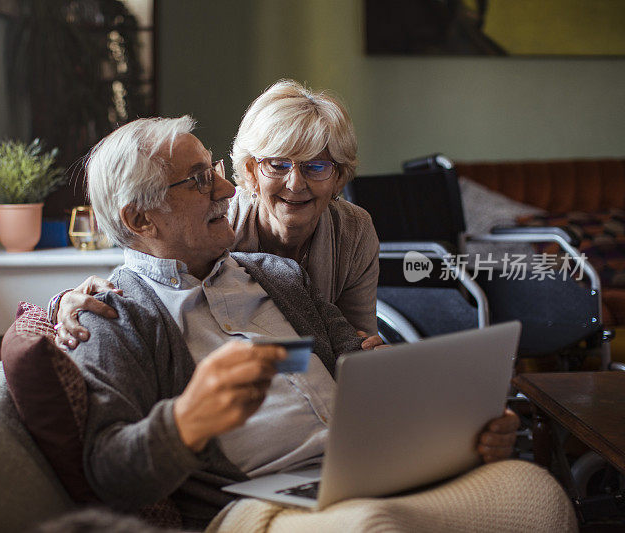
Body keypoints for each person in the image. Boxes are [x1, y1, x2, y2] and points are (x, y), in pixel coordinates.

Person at [63, 116, 519, 529]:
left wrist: (459, 427)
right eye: (200, 181)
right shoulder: (113, 316)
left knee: (527, 489)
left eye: (215, 171)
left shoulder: (279, 276)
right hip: (259, 505)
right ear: (140, 218)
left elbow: (360, 364)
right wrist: (185, 422)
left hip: (362, 472)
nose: (224, 191)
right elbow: (107, 471)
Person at [50, 79, 379, 346]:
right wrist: (65, 301)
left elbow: (353, 342)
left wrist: (364, 353)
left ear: (338, 175)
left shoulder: (353, 230)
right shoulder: (219, 224)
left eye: (316, 166)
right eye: (278, 164)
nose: (295, 184)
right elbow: (153, 276)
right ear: (250, 170)